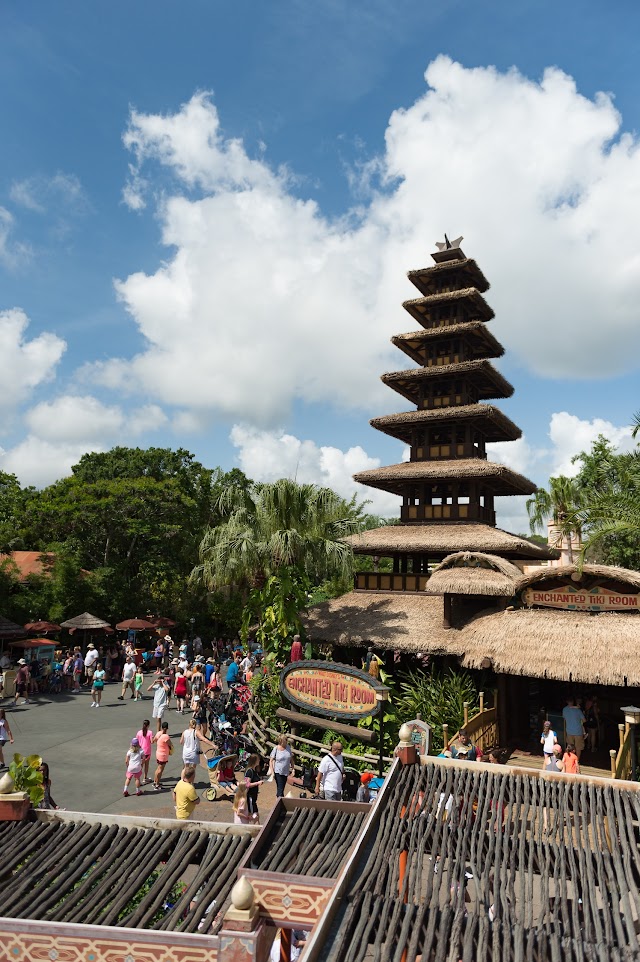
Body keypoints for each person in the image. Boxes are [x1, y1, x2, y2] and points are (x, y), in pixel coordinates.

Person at [269, 735, 293, 799]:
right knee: (280, 789)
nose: (286, 742)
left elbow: (291, 759)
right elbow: (271, 761)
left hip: (285, 772)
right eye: (285, 741)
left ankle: (278, 801)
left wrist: (293, 768)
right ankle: (279, 803)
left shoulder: (288, 748)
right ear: (281, 741)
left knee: (282, 788)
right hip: (278, 771)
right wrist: (272, 772)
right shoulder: (276, 749)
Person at [152, 721, 173, 790]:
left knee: (158, 768)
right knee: (160, 769)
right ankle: (157, 785)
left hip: (158, 753)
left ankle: (155, 782)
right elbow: (170, 744)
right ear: (167, 728)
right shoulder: (166, 736)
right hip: (163, 755)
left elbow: (154, 740)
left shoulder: (158, 733)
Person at [244, 754, 264, 823]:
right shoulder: (249, 771)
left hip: (254, 797)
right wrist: (257, 783)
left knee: (256, 815)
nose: (259, 761)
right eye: (258, 760)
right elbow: (247, 784)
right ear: (255, 761)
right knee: (254, 815)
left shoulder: (254, 770)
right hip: (250, 796)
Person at [136, 719, 154, 784]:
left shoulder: (139, 732)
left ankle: (138, 779)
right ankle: (145, 777)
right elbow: (152, 741)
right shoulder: (150, 732)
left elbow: (136, 741)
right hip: (147, 751)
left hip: (140, 751)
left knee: (140, 765)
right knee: (146, 765)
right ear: (148, 725)